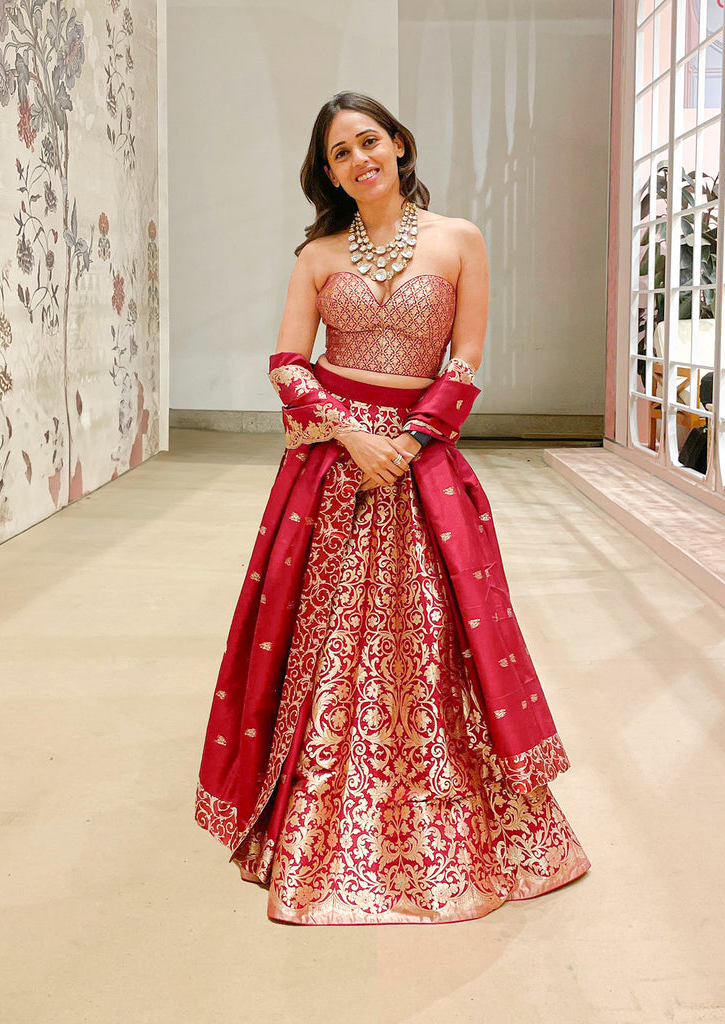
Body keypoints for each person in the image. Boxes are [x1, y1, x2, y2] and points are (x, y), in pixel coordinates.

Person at [195, 91, 590, 925]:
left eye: (368, 141)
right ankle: (315, 814)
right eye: (340, 154)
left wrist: (404, 446)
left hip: (421, 463)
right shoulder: (316, 253)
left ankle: (440, 811)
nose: (358, 161)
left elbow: (469, 359)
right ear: (328, 172)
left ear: (400, 144)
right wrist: (347, 434)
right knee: (322, 637)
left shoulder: (458, 240)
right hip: (332, 467)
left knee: (430, 640)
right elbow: (287, 360)